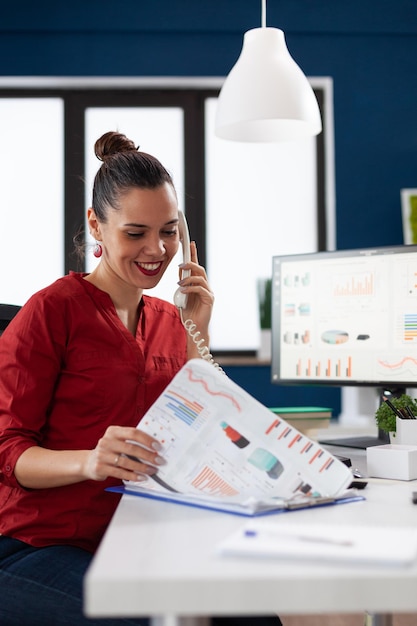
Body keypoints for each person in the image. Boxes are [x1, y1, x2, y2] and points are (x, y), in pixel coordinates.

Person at [0, 131, 282, 626]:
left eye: (169, 230)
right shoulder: (53, 311)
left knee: (254, 612)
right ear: (97, 226)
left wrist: (199, 328)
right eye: (136, 233)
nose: (158, 249)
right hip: (36, 544)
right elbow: (9, 451)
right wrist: (90, 461)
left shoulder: (174, 320)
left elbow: (202, 430)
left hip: (134, 539)